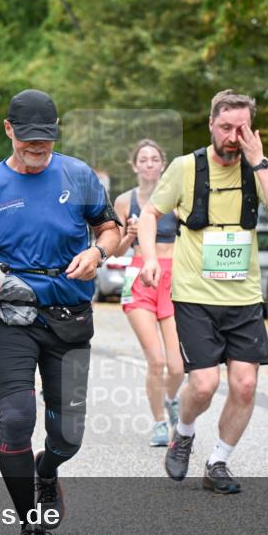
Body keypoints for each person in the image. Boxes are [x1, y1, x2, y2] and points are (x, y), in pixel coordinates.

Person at [0, 89, 120, 535]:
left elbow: (111, 228)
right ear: (8, 131)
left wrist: (97, 252)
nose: (37, 153)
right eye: (28, 145)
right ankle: (31, 525)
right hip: (12, 319)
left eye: (44, 144)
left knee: (69, 436)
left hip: (71, 317)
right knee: (18, 419)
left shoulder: (78, 175)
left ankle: (49, 472)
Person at [138, 89, 268, 495]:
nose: (232, 136)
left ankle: (218, 462)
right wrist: (151, 258)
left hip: (243, 298)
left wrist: (259, 162)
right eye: (225, 127)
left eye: (241, 128)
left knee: (244, 385)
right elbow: (149, 216)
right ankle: (184, 432)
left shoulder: (259, 168)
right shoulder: (185, 168)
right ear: (211, 124)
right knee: (204, 385)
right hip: (194, 295)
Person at [112, 140, 184, 447]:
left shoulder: (177, 198)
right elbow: (114, 250)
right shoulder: (124, 201)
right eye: (144, 159)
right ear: (135, 165)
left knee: (178, 365)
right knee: (156, 360)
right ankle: (158, 423)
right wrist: (128, 235)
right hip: (139, 275)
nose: (150, 164)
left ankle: (171, 398)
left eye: (155, 159)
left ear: (163, 164)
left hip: (174, 276)